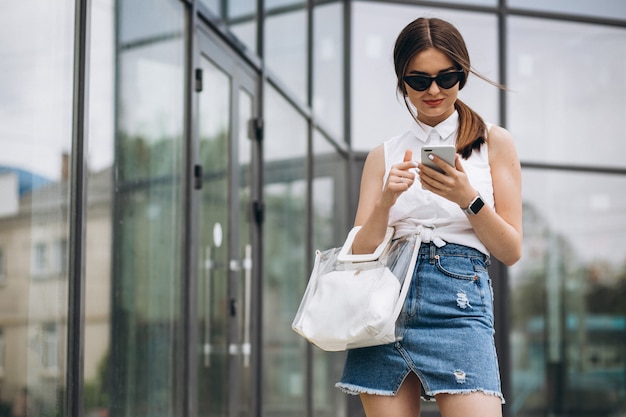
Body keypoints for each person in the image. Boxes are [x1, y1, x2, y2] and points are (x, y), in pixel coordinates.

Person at [335, 17, 523, 417]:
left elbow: (511, 250)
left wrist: (467, 198)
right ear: (402, 81)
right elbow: (360, 252)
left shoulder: (493, 142)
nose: (434, 90)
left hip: (459, 303)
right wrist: (386, 201)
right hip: (388, 301)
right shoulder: (382, 156)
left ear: (463, 74)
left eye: (447, 77)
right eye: (419, 80)